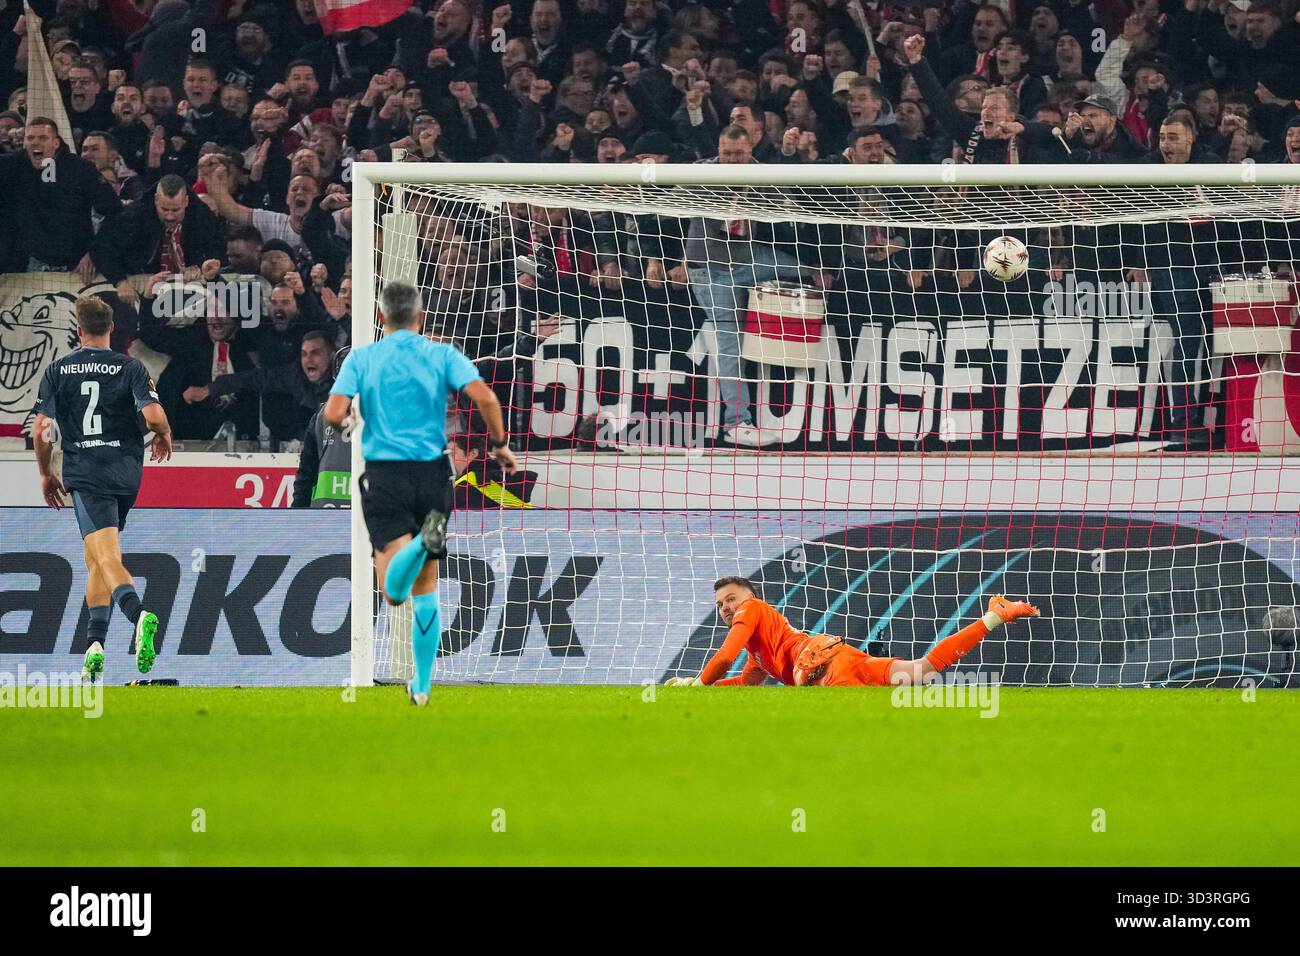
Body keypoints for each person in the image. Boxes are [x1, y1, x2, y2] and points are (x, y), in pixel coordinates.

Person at [322, 283, 519, 706]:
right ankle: (423, 685)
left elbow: (333, 413)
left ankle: (418, 545)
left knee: (393, 592)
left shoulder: (363, 358)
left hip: (386, 475)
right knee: (426, 588)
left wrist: (350, 427)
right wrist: (500, 443)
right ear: (421, 316)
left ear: (380, 317)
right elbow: (484, 395)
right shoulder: (441, 354)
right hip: (433, 474)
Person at [31, 297, 173, 682]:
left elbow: (42, 430)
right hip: (126, 472)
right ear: (112, 328)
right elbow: (154, 416)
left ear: (78, 330)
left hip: (87, 472)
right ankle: (94, 645)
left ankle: (138, 613)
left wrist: (45, 472)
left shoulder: (59, 369)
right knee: (94, 555)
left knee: (106, 555)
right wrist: (164, 434)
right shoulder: (130, 366)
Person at [665, 577, 1039, 686]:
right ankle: (994, 617)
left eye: (730, 599)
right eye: (719, 605)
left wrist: (699, 684)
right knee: (921, 671)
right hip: (835, 657)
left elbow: (724, 656)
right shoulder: (760, 650)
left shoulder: (753, 610)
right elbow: (744, 683)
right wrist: (696, 687)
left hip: (822, 667)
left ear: (748, 599)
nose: (726, 608)